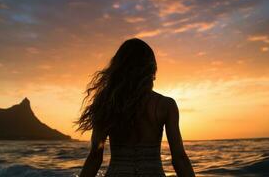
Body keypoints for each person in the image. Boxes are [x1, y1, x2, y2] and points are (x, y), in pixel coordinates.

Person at [77, 38, 195, 177]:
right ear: (151, 69)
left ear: (119, 68)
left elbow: (95, 157)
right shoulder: (165, 105)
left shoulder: (107, 103)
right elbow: (179, 159)